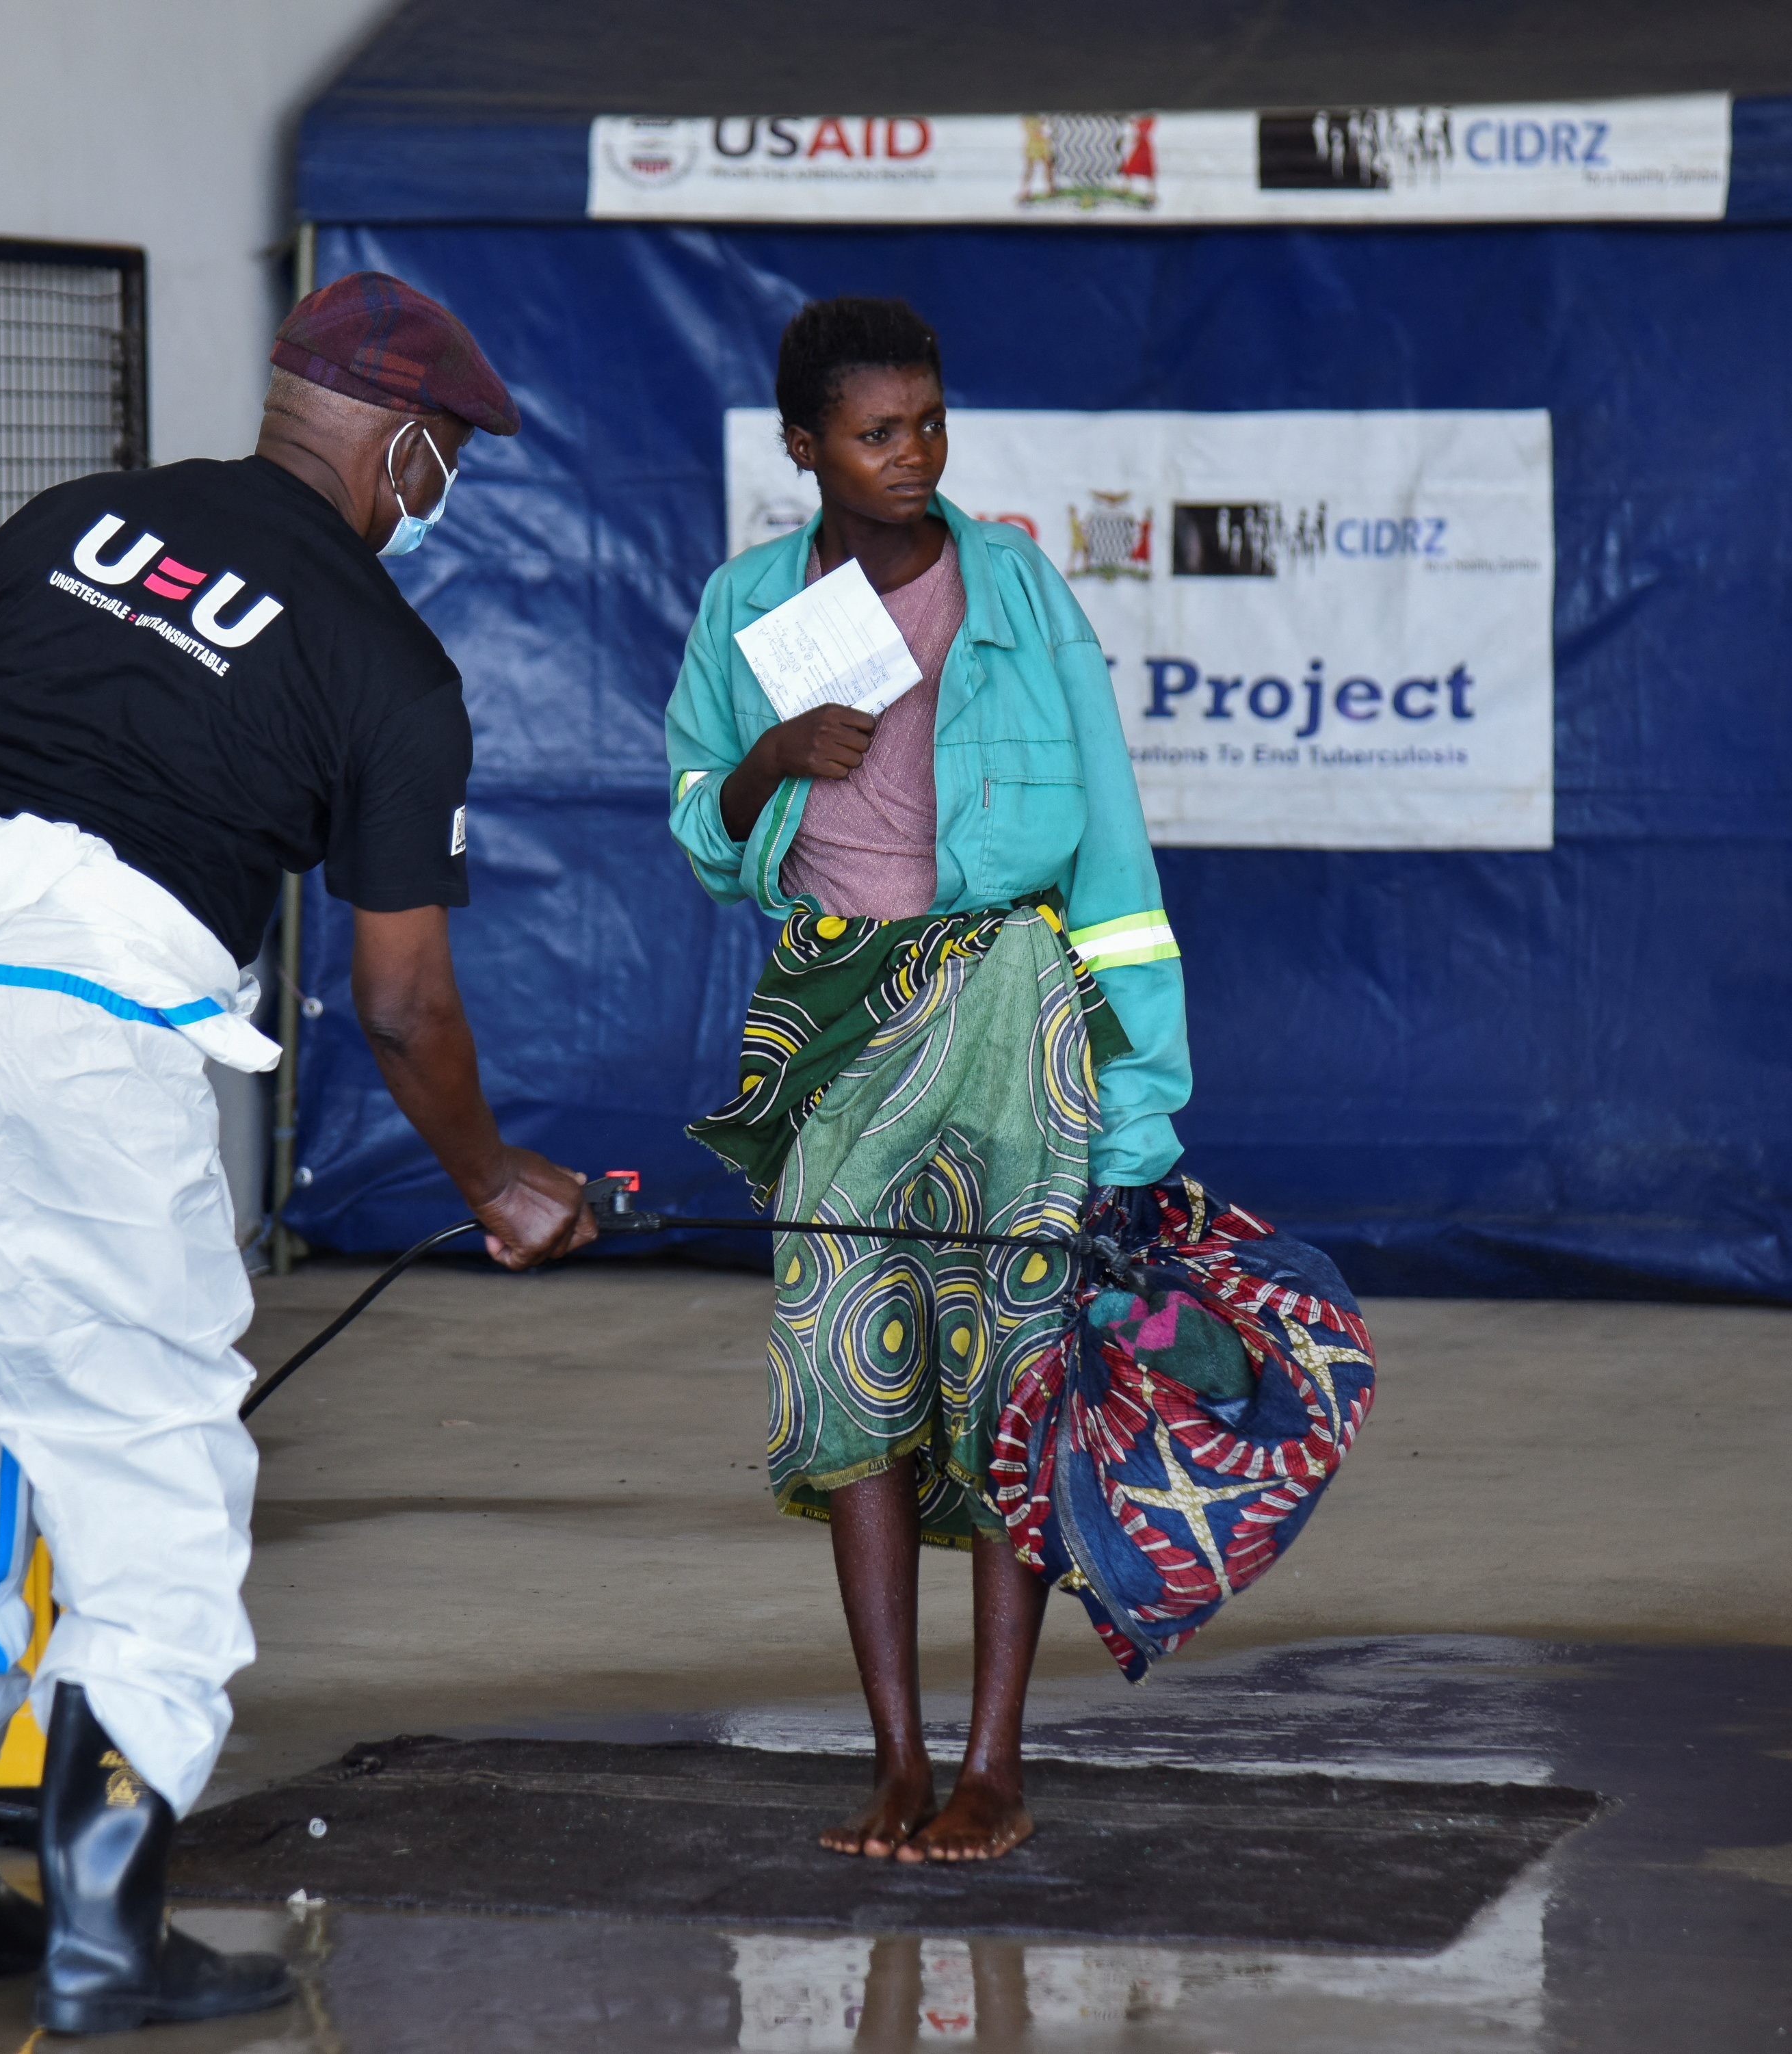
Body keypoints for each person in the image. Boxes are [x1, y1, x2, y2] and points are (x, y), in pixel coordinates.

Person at [0, 271, 594, 2036]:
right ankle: (99, 1940)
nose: (441, 486)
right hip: (65, 1013)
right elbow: (400, 1000)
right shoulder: (391, 663)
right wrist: (495, 1179)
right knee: (144, 1459)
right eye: (447, 454)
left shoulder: (70, 517)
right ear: (399, 441)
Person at [663, 297, 1190, 1862]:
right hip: (836, 1007)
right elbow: (699, 817)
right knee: (850, 1371)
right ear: (805, 445)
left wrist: (1139, 1103)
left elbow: (1114, 857)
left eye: (931, 423)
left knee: (1013, 1377)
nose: (913, 455)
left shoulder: (1020, 588)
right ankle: (895, 1755)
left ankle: (996, 1762)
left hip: (1018, 999)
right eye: (877, 431)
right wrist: (771, 761)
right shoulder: (752, 602)